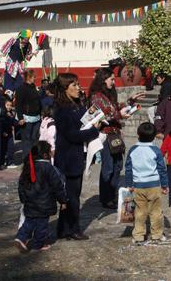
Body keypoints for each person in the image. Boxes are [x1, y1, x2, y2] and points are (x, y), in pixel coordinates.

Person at [53, 73, 100, 241]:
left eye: (78, 84)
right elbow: (72, 135)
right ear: (65, 88)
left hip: (78, 155)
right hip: (68, 156)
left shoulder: (77, 105)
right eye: (74, 85)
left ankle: (64, 228)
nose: (79, 88)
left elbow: (83, 122)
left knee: (73, 194)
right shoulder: (62, 109)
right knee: (71, 196)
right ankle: (72, 228)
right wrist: (93, 131)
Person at [89, 68, 144, 209]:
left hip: (115, 134)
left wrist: (131, 102)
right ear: (103, 79)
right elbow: (102, 116)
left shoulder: (107, 95)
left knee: (118, 166)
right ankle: (106, 198)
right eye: (111, 79)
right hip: (106, 135)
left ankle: (112, 195)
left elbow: (115, 108)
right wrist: (119, 115)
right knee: (108, 167)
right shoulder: (96, 97)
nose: (113, 82)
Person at [15, 141, 68, 253]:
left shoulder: (28, 166)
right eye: (50, 152)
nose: (51, 154)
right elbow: (57, 186)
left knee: (28, 222)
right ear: (45, 155)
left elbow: (21, 185)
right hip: (45, 204)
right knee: (41, 226)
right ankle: (38, 244)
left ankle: (21, 238)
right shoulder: (49, 168)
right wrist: (63, 201)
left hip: (30, 203)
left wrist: (23, 199)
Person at [125, 122, 169, 245]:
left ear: (138, 134)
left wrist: (129, 184)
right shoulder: (155, 150)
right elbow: (162, 169)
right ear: (154, 136)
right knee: (156, 212)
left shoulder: (133, 150)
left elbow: (128, 168)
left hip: (138, 185)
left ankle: (138, 236)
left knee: (139, 212)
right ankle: (156, 235)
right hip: (154, 185)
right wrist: (165, 185)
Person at [15, 70, 42, 165]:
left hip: (36, 118)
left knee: (35, 139)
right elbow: (18, 104)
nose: (35, 78)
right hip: (27, 118)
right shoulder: (21, 89)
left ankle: (34, 158)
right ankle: (27, 160)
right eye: (34, 77)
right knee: (27, 140)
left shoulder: (34, 87)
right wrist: (20, 117)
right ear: (29, 77)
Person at [1, 96, 18, 168]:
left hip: (9, 133)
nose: (9, 107)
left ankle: (10, 162)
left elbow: (13, 123)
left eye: (10, 105)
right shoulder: (2, 112)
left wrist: (18, 123)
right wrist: (2, 132)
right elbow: (0, 124)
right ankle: (3, 162)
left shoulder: (11, 113)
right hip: (3, 133)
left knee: (11, 148)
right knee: (3, 149)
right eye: (7, 105)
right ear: (4, 105)